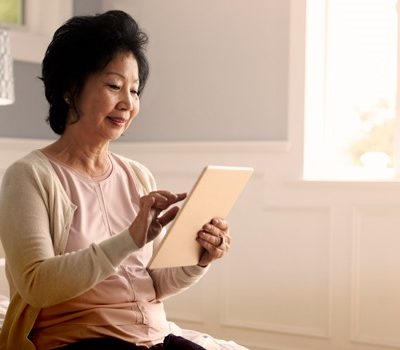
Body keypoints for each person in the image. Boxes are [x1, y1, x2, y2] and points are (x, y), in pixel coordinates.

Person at [0, 10, 247, 350]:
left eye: (134, 90)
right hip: (82, 340)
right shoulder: (29, 176)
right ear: (71, 89)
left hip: (155, 339)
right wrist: (129, 239)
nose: (128, 103)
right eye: (114, 86)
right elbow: (37, 285)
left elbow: (152, 283)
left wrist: (199, 259)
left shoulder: (137, 175)